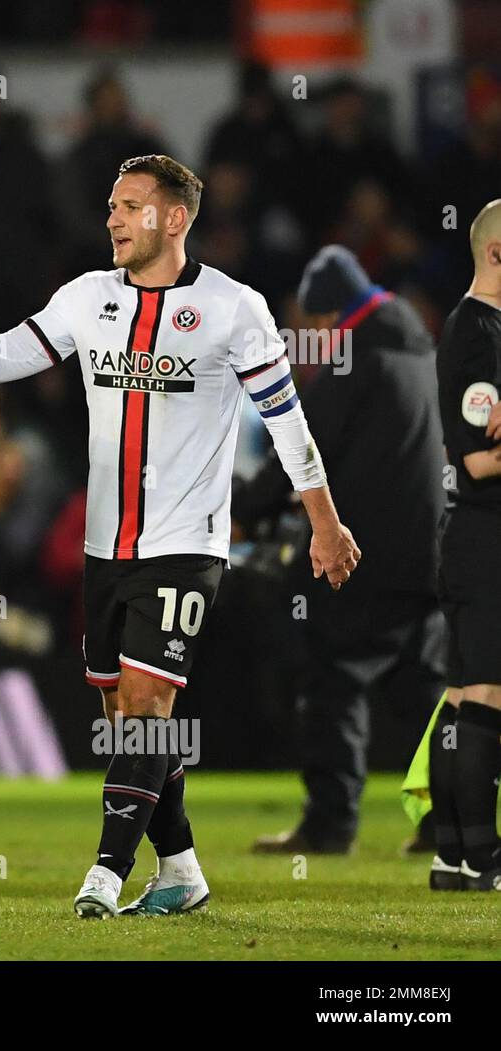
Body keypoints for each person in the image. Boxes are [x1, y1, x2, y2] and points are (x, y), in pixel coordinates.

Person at [0, 154, 360, 919]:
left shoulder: (235, 308)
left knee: (150, 699)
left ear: (175, 219)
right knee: (126, 718)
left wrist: (324, 521)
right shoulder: (87, 298)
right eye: (111, 205)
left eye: (130, 206)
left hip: (187, 542)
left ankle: (103, 872)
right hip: (105, 546)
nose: (113, 218)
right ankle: (182, 867)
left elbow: (289, 423)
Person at [237, 246, 446, 856]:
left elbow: (302, 445)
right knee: (423, 693)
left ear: (330, 317)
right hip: (429, 558)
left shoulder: (355, 362)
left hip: (368, 560)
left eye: (307, 322)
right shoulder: (422, 357)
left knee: (333, 682)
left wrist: (245, 509)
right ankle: (449, 821)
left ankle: (330, 825)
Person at [426, 199, 501, 891]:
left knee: (459, 698)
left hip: (470, 536)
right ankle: (485, 856)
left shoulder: (475, 327)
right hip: (485, 533)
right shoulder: (480, 334)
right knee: (486, 695)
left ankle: (452, 856)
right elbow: (479, 457)